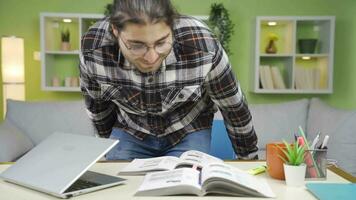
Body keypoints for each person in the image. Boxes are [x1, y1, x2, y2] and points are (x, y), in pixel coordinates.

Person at [79, 0, 258, 160]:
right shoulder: (93, 49)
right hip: (130, 128)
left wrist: (249, 161)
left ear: (172, 27)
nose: (151, 57)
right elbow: (98, 106)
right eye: (136, 45)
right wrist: (104, 148)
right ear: (115, 30)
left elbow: (233, 107)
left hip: (189, 128)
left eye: (161, 42)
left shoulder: (203, 45)